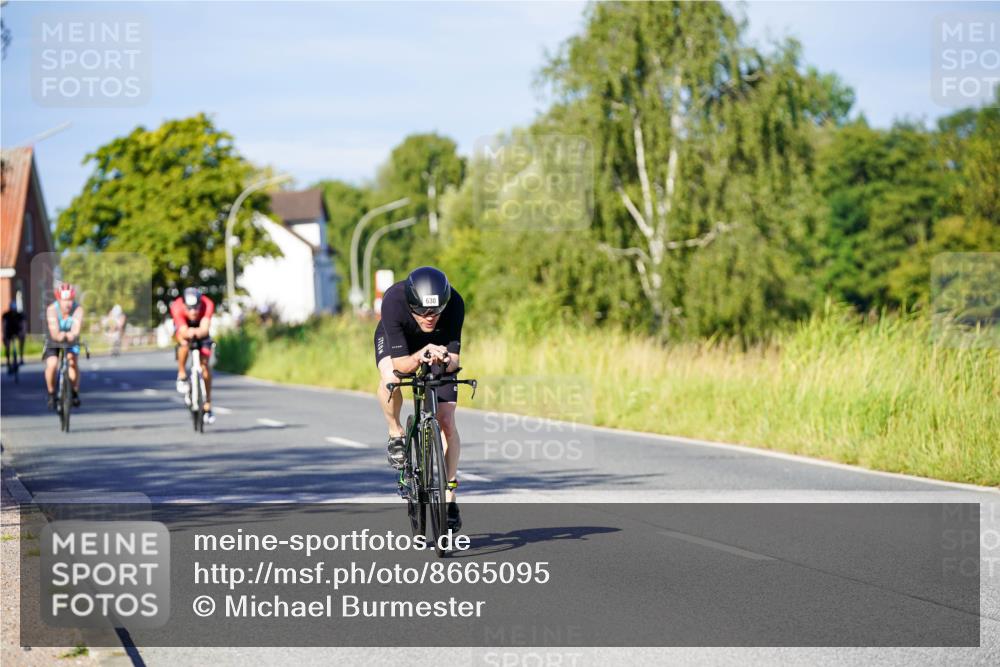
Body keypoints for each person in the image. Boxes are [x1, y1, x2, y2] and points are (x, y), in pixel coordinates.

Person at [374, 266, 465, 531]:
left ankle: (449, 494)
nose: (429, 318)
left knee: (446, 420)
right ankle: (396, 432)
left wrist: (445, 359)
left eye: (435, 312)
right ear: (411, 303)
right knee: (390, 379)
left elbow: (455, 358)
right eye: (423, 312)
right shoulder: (394, 301)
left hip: (438, 345)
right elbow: (401, 365)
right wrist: (419, 355)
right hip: (400, 343)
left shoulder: (454, 303)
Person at [170, 288, 216, 424]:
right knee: (183, 343)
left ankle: (207, 403)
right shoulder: (176, 307)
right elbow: (183, 330)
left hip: (201, 329)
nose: (193, 312)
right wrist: (188, 333)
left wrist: (198, 332)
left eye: (196, 308)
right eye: (189, 308)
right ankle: (182, 374)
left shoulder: (208, 304)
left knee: (205, 367)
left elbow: (205, 328)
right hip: (184, 328)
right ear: (184, 305)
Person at [43, 283, 84, 409]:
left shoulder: (78, 309)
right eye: (65, 300)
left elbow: (76, 329)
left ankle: (74, 391)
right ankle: (51, 393)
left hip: (71, 339)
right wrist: (60, 335)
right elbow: (54, 332)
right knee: (52, 364)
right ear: (59, 299)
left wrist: (72, 334)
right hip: (54, 340)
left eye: (70, 300)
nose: (68, 304)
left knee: (72, 361)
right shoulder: (52, 309)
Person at [2, 301, 26, 373]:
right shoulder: (6, 315)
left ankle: (21, 357)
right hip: (9, 332)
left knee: (22, 338)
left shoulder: (20, 315)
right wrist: (4, 335)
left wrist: (22, 333)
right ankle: (8, 361)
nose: (13, 311)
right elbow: (4, 326)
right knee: (8, 345)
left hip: (17, 331)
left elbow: (23, 325)